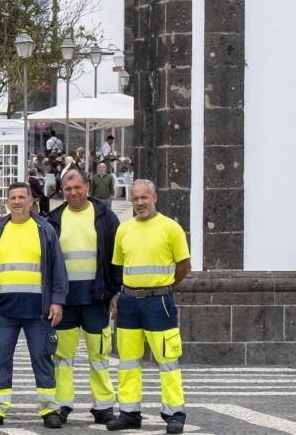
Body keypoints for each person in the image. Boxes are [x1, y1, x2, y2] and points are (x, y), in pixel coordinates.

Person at [0, 184, 68, 429]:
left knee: (42, 357)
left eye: (22, 197)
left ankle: (50, 409)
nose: (17, 202)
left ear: (31, 201)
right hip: (3, 310)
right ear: (7, 202)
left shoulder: (45, 230)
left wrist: (57, 301)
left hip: (38, 311)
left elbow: (58, 269)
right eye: (13, 198)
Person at [108, 181, 190, 435]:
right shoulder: (124, 230)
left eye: (144, 197)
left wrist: (163, 287)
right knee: (128, 361)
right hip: (129, 301)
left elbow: (184, 265)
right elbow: (119, 266)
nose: (140, 202)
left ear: (155, 198)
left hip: (159, 302)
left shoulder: (171, 228)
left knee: (167, 360)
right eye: (135, 199)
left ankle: (174, 413)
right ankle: (129, 413)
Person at [46, 167, 120, 427]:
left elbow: (116, 258)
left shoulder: (106, 217)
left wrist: (115, 293)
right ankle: (62, 404)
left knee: (99, 355)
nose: (73, 193)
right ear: (62, 191)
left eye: (77, 187)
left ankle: (103, 405)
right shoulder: (53, 219)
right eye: (67, 189)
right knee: (63, 357)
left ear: (87, 186)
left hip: (96, 298)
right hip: (65, 301)